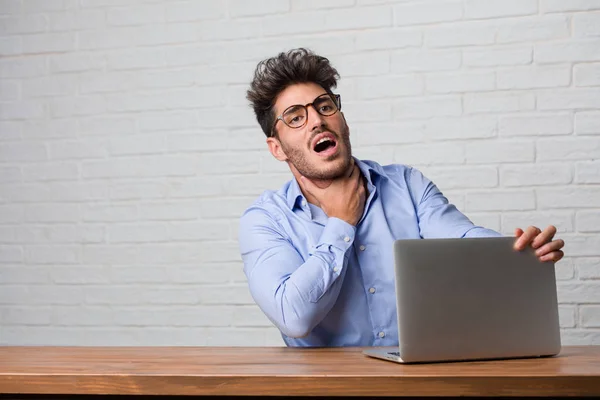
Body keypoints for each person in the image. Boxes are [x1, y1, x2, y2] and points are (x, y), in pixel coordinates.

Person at [238, 48, 565, 347]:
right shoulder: (266, 220)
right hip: (328, 386)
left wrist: (516, 252)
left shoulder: (407, 185)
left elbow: (464, 240)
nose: (318, 120)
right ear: (277, 148)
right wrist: (341, 223)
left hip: (416, 379)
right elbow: (293, 318)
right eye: (296, 117)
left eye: (325, 106)